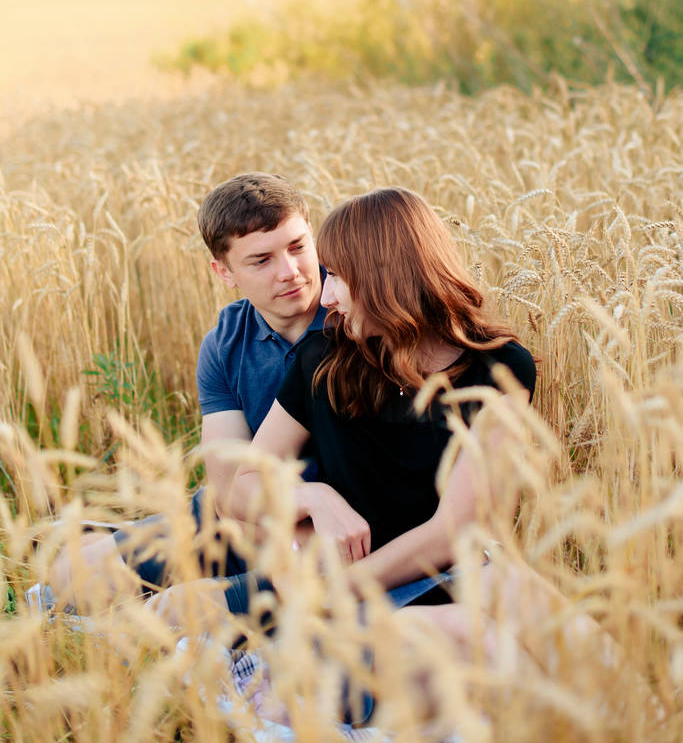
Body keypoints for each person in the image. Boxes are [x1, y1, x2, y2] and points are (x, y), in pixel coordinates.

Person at [152, 185, 536, 627]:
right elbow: (241, 486)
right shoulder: (328, 359)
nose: (326, 297)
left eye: (334, 276)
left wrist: (330, 593)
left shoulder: (500, 368)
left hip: (425, 579)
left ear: (385, 276)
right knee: (167, 610)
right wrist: (312, 498)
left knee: (524, 612)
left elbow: (453, 530)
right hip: (323, 574)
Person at [49, 172, 328, 609]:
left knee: (179, 610)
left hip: (326, 529)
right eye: (261, 261)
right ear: (224, 272)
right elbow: (228, 487)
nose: (289, 272)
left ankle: (100, 534)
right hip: (238, 519)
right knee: (70, 579)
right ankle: (91, 536)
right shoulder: (225, 342)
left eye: (297, 247)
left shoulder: (354, 313)